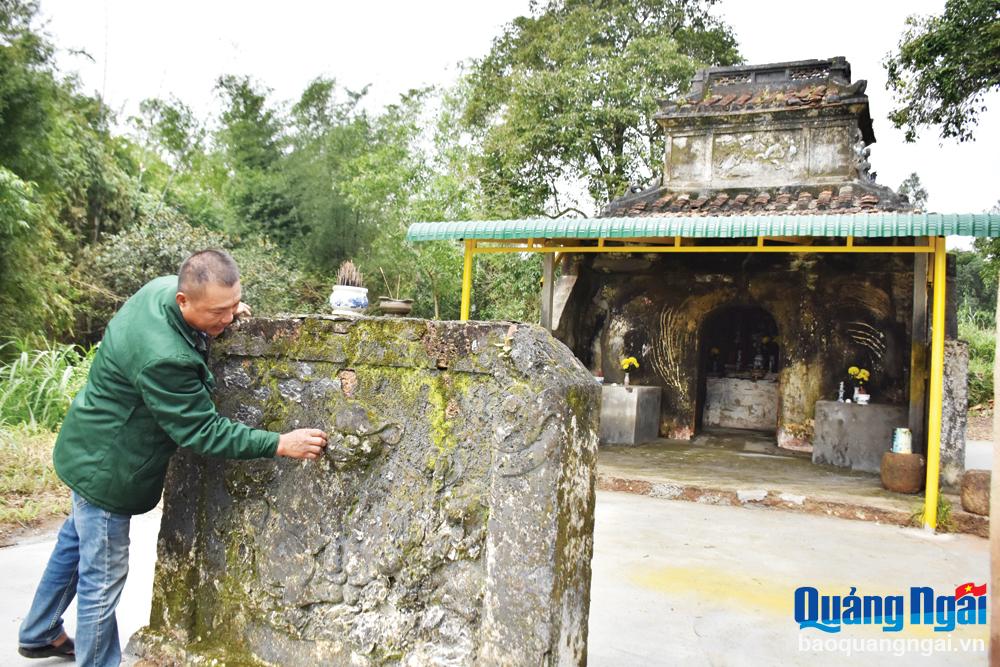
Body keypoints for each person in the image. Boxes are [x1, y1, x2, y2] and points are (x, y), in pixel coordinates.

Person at [17, 249, 327, 665]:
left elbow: (206, 309)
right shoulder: (166, 358)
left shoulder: (162, 290)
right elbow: (202, 430)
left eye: (233, 306)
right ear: (184, 301)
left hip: (87, 442)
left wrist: (220, 311)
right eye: (219, 311)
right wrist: (279, 443)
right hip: (110, 467)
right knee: (102, 577)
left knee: (75, 542)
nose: (229, 318)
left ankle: (39, 632)